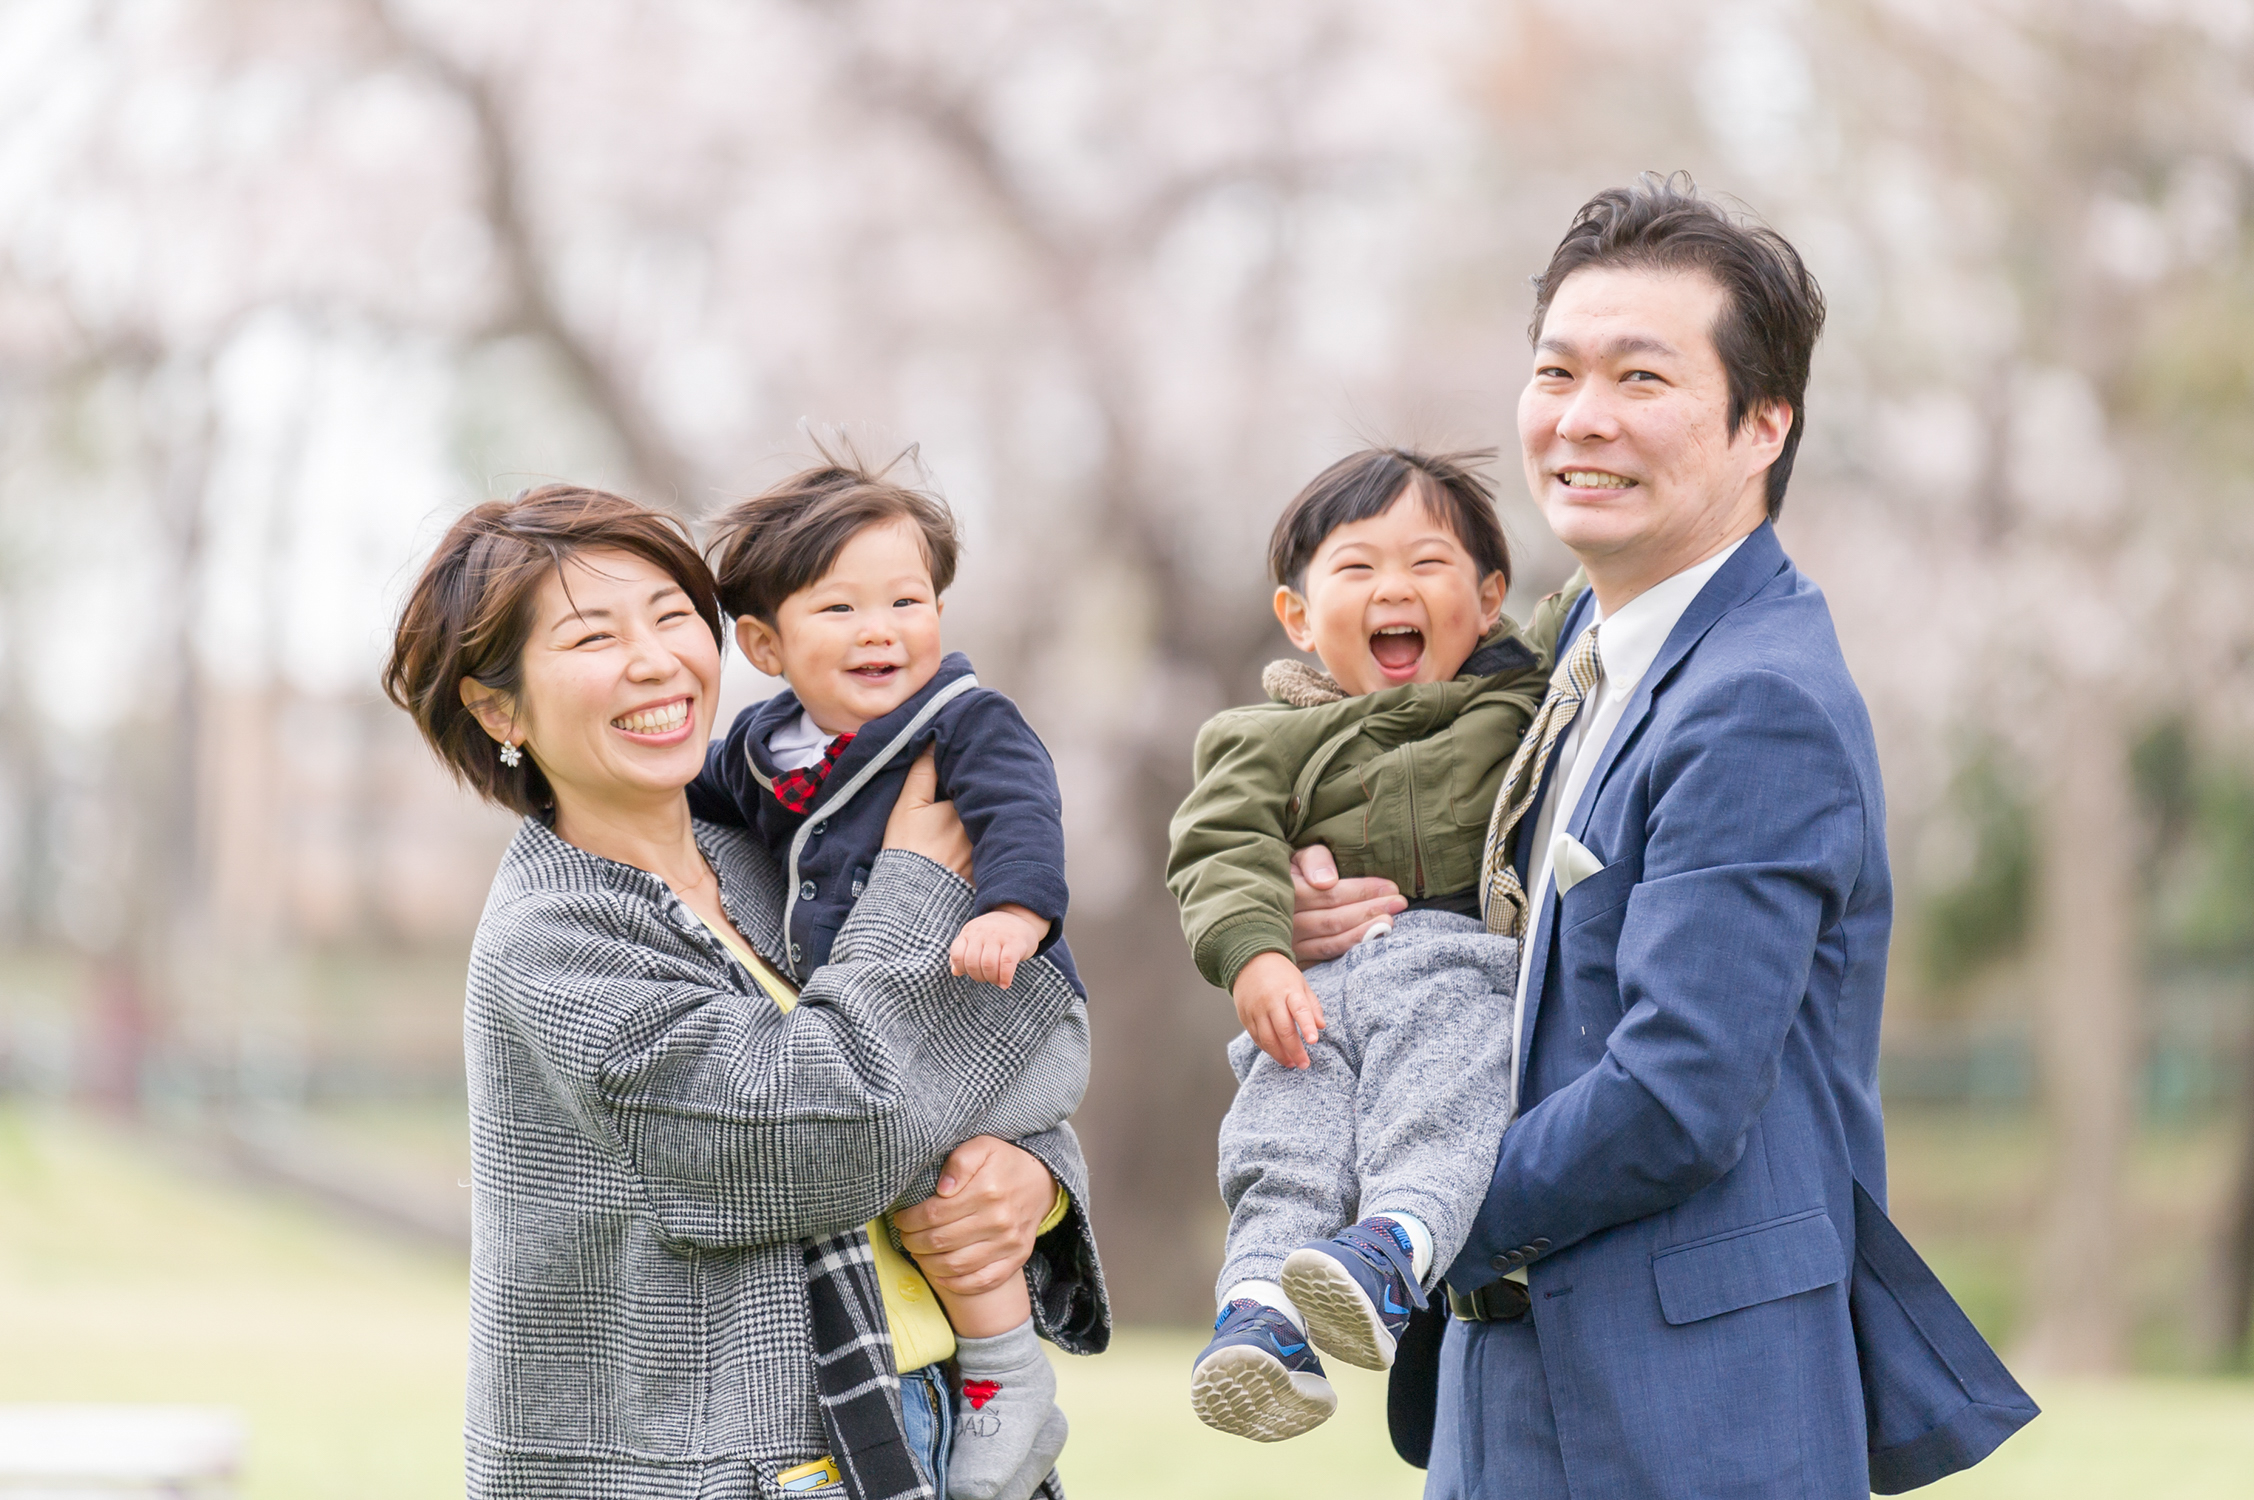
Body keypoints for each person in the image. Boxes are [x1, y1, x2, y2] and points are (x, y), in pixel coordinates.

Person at [1289, 175, 2036, 1498]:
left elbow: (1674, 1094)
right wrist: (1349, 918)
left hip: (1687, 1417)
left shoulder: (1753, 699)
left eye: (1641, 379)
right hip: (1504, 1396)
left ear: (1761, 425)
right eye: (1556, 371)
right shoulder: (1580, 643)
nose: (1581, 419)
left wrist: (1411, 1216)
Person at [381, 486, 1106, 1500]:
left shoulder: (771, 853)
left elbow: (979, 1044)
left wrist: (1031, 1179)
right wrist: (916, 882)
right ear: (498, 707)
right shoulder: (556, 938)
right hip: (725, 1465)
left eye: (674, 616)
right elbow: (803, 1137)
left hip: (931, 1421)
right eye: (594, 637)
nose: (655, 659)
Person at [686, 456, 1083, 1500]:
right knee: (912, 1176)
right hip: (892, 1014)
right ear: (765, 645)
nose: (882, 630)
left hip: (1000, 994)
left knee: (950, 1182)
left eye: (908, 602)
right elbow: (700, 807)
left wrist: (1014, 910)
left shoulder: (961, 720)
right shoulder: (761, 746)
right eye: (841, 608)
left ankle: (1007, 1378)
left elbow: (1020, 812)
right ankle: (997, 1381)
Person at [1164, 447, 1579, 1441]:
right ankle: (1260, 1316)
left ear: (1488, 601)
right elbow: (1218, 844)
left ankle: (1389, 1249)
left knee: (1446, 1095)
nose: (1393, 588)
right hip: (1312, 993)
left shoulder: (1510, 699)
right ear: (1298, 617)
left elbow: (1598, 590)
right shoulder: (1256, 739)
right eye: (1356, 568)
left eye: (1427, 564)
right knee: (1281, 1140)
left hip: (1441, 964)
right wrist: (1257, 956)